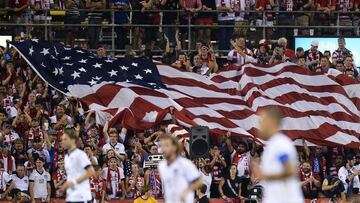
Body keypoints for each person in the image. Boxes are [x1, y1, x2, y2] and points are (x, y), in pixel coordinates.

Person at [251, 107, 304, 203]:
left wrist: (264, 176)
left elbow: (290, 170)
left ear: (272, 122)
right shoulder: (273, 145)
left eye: (263, 121)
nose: (260, 126)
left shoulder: (280, 143)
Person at [158, 134, 203, 203]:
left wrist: (186, 192)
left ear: (174, 147)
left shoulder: (185, 163)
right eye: (162, 145)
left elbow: (199, 182)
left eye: (167, 145)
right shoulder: (161, 165)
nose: (164, 148)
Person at [59, 127, 95, 203]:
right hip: (71, 196)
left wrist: (73, 182)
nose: (62, 142)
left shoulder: (80, 154)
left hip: (82, 196)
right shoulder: (66, 156)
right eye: (62, 139)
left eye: (65, 139)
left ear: (72, 140)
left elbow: (91, 172)